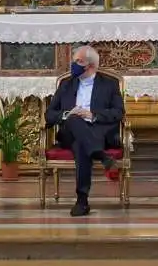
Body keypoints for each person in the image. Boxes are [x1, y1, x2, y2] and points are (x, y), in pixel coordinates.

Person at [45, 45, 124, 216]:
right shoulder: (66, 85)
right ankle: (101, 156)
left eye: (79, 62)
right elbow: (49, 115)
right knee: (74, 119)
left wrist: (92, 114)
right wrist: (67, 114)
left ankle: (82, 201)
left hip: (97, 131)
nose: (74, 65)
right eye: (74, 61)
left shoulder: (110, 85)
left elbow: (118, 112)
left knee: (81, 145)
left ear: (92, 65)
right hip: (69, 131)